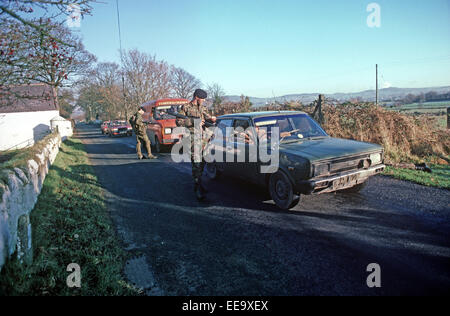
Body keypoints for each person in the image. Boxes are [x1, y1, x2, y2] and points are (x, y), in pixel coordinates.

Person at [176, 89, 216, 200]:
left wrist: (212, 119)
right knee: (196, 162)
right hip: (192, 139)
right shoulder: (185, 107)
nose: (203, 101)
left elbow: (207, 117)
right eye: (202, 99)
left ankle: (199, 182)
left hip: (203, 138)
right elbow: (179, 122)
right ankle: (197, 186)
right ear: (196, 97)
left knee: (203, 162)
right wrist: (193, 122)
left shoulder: (202, 108)